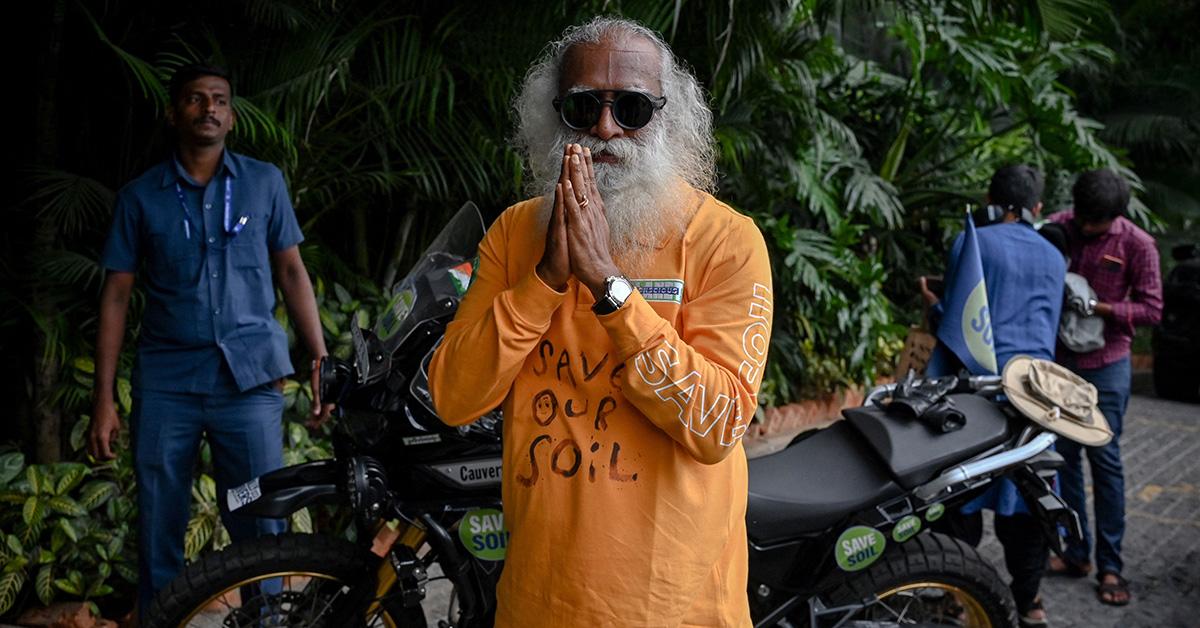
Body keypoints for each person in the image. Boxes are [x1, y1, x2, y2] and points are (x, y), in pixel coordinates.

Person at [427, 17, 772, 627]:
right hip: (537, 604)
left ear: (669, 117)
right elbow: (454, 397)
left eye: (633, 107)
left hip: (675, 609)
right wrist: (544, 282)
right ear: (552, 116)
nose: (606, 128)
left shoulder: (726, 241)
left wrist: (610, 290)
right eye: (583, 107)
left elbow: (718, 426)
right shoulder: (514, 234)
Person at [87, 63, 334, 618]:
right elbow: (117, 296)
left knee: (262, 522)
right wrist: (104, 398)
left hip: (249, 381)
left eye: (219, 99)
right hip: (167, 382)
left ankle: (266, 621)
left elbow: (292, 273)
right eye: (196, 100)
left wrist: (319, 357)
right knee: (159, 521)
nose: (209, 109)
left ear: (232, 114)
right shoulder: (140, 197)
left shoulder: (263, 182)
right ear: (176, 112)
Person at [920, 165, 1066, 627]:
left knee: (959, 488)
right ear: (1037, 208)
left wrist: (932, 305)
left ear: (990, 199)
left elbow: (961, 323)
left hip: (980, 394)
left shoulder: (974, 240)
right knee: (1028, 495)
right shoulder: (1054, 255)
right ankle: (1031, 602)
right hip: (1039, 395)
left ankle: (952, 595)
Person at [1046, 168, 1162, 606]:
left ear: (1116, 216)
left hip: (1107, 364)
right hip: (1061, 362)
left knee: (1105, 460)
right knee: (1065, 458)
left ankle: (1111, 565)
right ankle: (1077, 553)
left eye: (1097, 222)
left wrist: (1102, 307)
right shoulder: (1058, 226)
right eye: (1083, 218)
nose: (1087, 228)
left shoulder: (1138, 244)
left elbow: (1152, 308)